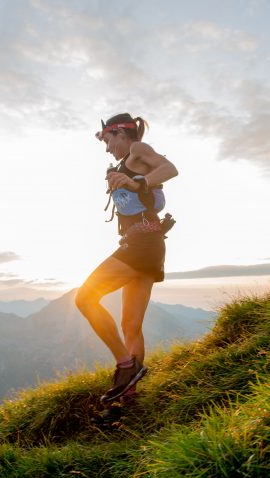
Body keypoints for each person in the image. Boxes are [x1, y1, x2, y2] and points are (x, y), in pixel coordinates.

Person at [75, 113, 178, 409]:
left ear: (121, 134)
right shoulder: (123, 162)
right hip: (148, 242)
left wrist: (138, 183)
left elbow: (170, 168)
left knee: (84, 299)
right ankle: (127, 398)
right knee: (130, 326)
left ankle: (125, 365)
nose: (107, 148)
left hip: (142, 242)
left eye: (109, 140)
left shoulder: (137, 150)